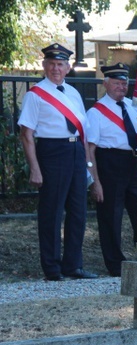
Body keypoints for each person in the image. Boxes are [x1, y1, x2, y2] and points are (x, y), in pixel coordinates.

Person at [18, 43, 98, 280]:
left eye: (60, 64)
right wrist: (35, 168)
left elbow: (81, 129)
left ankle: (73, 265)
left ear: (67, 67)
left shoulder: (73, 92)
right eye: (51, 64)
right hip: (51, 152)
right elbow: (26, 134)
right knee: (52, 212)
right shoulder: (35, 95)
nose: (56, 68)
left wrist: (87, 165)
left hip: (75, 152)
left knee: (78, 211)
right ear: (44, 66)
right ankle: (52, 268)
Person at [86, 63, 137, 277]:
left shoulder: (133, 107)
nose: (121, 86)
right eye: (116, 82)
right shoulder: (96, 112)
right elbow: (90, 150)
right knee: (111, 216)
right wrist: (94, 181)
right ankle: (115, 264)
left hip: (133, 163)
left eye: (124, 82)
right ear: (105, 83)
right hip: (110, 163)